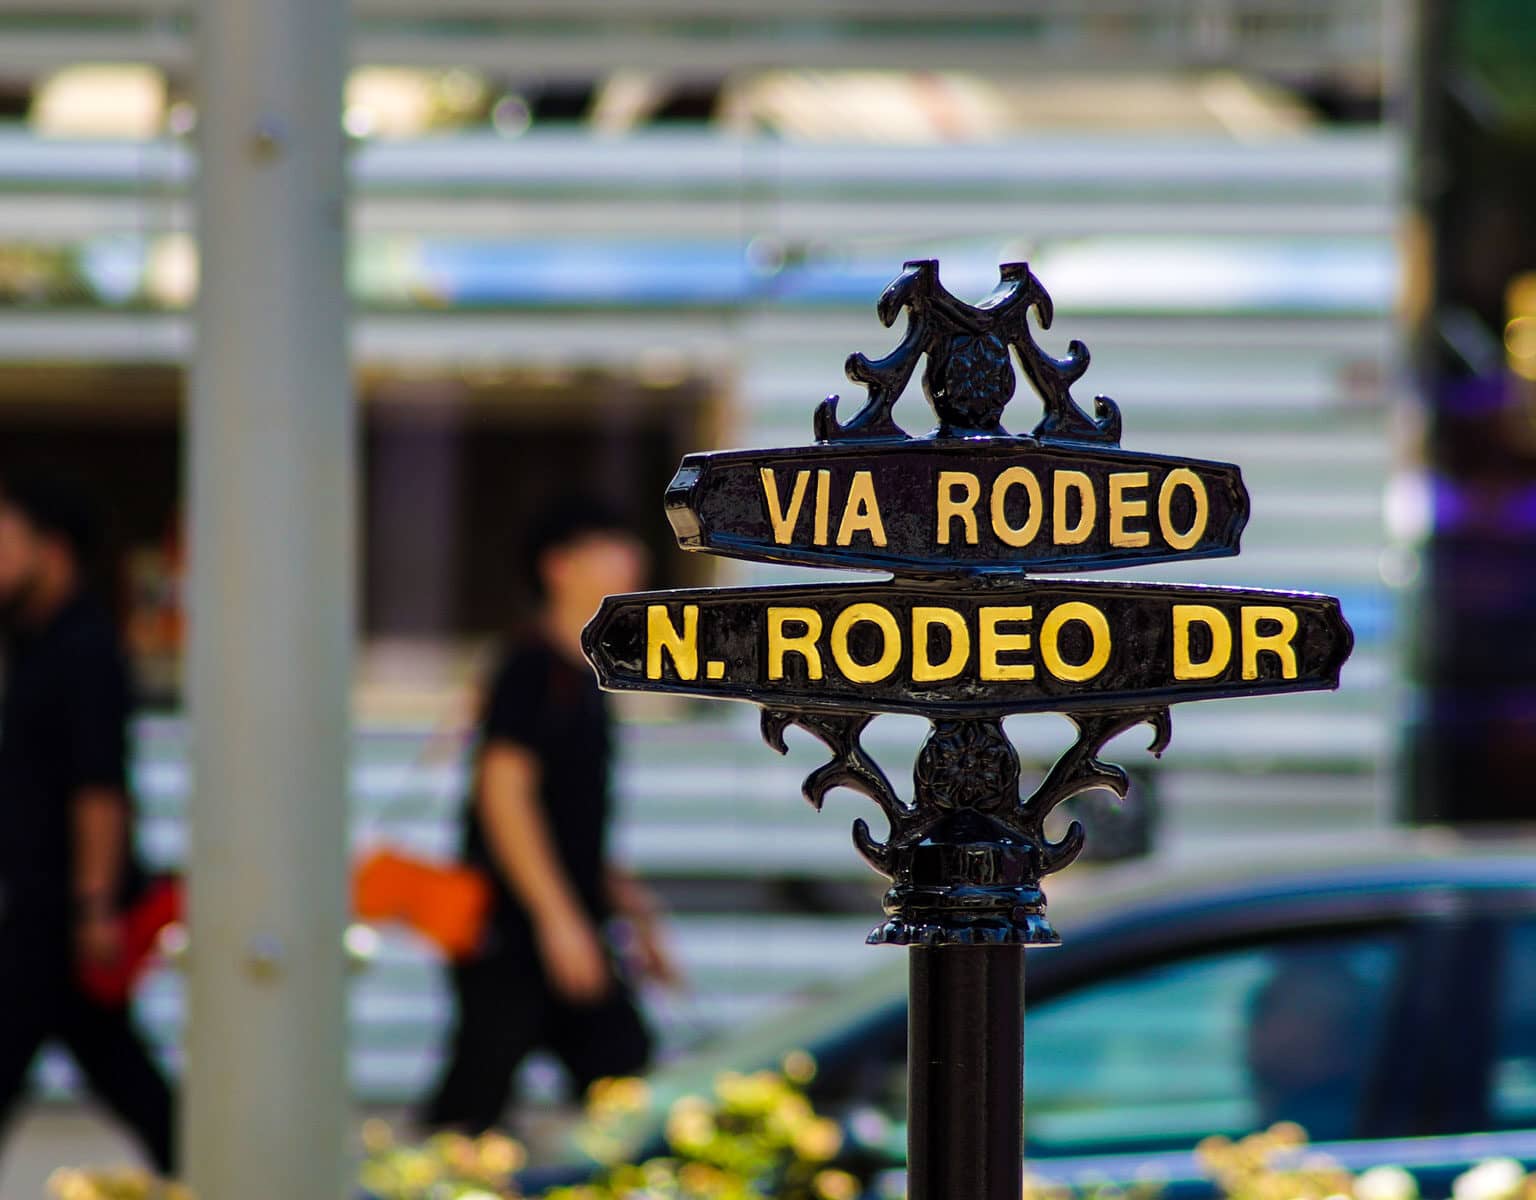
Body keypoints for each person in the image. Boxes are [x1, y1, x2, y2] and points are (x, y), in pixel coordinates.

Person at [421, 499, 677, 1133]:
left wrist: (634, 911)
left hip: (558, 918)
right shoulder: (532, 668)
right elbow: (503, 794)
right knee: (483, 1089)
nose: (631, 559)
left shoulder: (585, 673)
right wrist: (558, 921)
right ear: (559, 566)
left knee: (615, 1067)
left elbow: (571, 818)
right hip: (512, 928)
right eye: (608, 545)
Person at [0, 471, 175, 1174]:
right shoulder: (35, 642)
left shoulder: (84, 650)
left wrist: (94, 903)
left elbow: (100, 789)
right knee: (119, 1066)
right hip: (47, 902)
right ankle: (217, 1170)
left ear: (53, 549)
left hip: (62, 906)